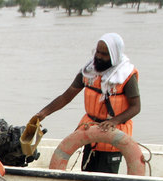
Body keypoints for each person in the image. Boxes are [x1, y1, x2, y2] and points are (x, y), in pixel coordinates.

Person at [33, 33, 140, 173]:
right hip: (90, 132)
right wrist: (43, 113)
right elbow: (67, 96)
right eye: (98, 52)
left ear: (114, 55)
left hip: (114, 134)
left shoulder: (125, 75)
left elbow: (136, 107)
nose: (99, 57)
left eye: (105, 54)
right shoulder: (89, 71)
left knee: (105, 177)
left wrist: (114, 121)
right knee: (87, 170)